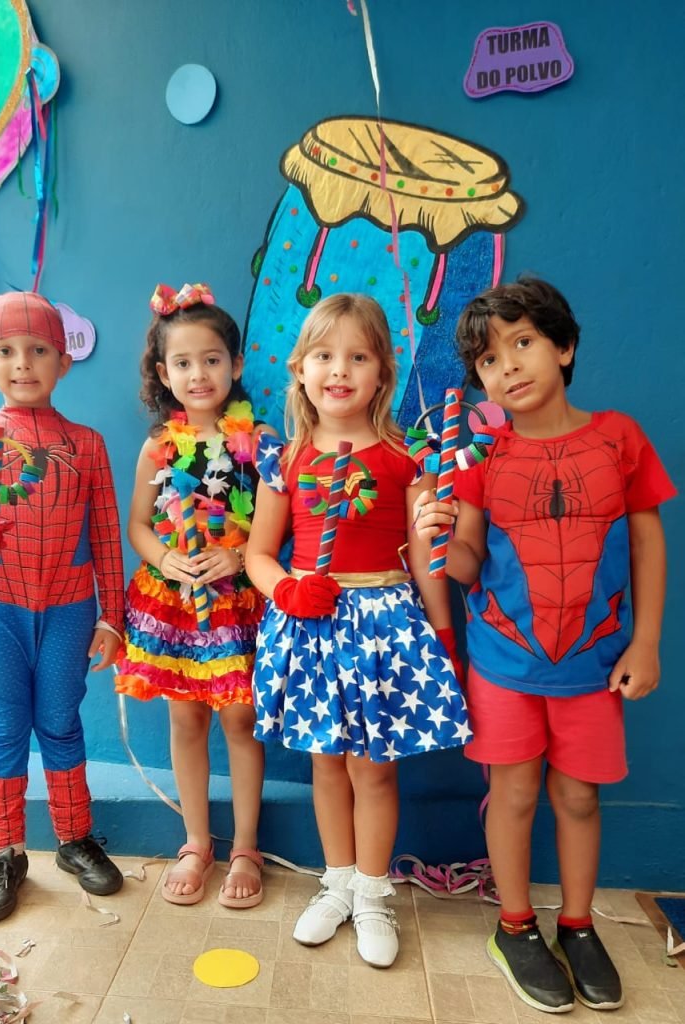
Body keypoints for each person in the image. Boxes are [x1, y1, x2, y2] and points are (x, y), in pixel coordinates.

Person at [413, 277, 676, 1012]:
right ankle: (515, 926)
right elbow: (468, 566)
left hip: (594, 666)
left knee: (579, 797)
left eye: (522, 343)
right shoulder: (480, 460)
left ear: (564, 347)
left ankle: (579, 925)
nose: (508, 366)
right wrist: (437, 534)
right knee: (515, 791)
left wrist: (647, 642)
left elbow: (648, 542)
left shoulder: (620, 438)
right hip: (504, 663)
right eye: (488, 361)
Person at [246, 293, 471, 968]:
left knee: (374, 772)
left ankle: (373, 894)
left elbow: (425, 557)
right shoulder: (284, 459)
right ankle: (337, 883)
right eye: (323, 355)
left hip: (384, 628)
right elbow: (259, 554)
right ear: (300, 370)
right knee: (325, 764)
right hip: (309, 624)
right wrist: (285, 587)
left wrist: (443, 635)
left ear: (382, 374)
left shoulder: (407, 458)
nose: (339, 369)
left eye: (357, 356)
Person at [0, 291, 126, 923]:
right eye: (7, 350)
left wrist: (111, 617)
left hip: (70, 607)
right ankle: (4, 852)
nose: (23, 362)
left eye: (39, 349)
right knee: (4, 727)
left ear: (63, 361)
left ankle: (74, 839)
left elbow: (106, 536)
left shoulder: (87, 444)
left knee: (60, 721)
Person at [115, 282, 272, 909]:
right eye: (182, 362)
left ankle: (247, 847)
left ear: (235, 364)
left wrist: (240, 554)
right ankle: (197, 841)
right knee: (186, 718)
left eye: (211, 359)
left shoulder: (258, 440)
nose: (199, 374)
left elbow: (281, 522)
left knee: (240, 718)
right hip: (175, 605)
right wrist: (165, 559)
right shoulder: (158, 445)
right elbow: (138, 525)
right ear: (163, 374)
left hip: (237, 601)